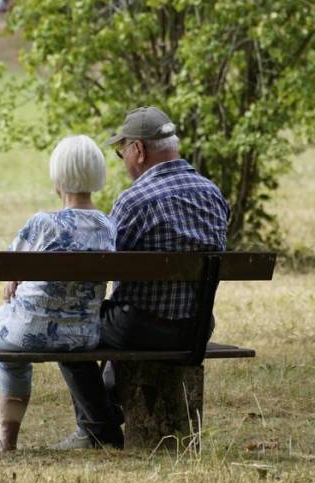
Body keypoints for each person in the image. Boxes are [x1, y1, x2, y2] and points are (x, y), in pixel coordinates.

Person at [53, 107, 231, 450]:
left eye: (122, 153)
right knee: (118, 317)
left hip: (141, 329)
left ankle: (98, 429)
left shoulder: (134, 201)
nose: (123, 161)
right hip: (196, 328)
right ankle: (105, 413)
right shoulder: (213, 194)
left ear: (138, 150)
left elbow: (100, 267)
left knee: (66, 327)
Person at [0, 135, 116, 454]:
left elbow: (8, 268)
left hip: (26, 332)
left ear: (57, 177)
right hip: (82, 336)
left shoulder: (43, 223)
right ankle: (5, 441)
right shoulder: (108, 226)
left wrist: (14, 278)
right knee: (9, 346)